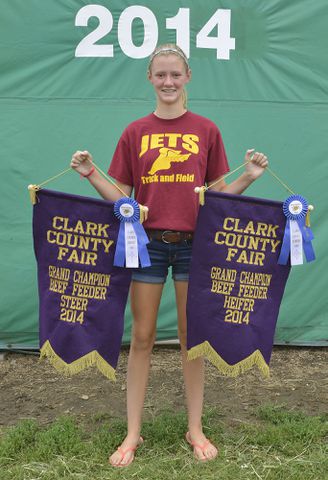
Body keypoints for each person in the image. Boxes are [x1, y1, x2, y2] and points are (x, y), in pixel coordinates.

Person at [71, 43, 268, 466]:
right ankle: (133, 433)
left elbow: (216, 196)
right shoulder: (134, 132)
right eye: (160, 75)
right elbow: (121, 197)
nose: (168, 82)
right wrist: (91, 175)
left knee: (190, 341)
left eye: (175, 75)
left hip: (195, 248)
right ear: (149, 78)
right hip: (147, 247)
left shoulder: (207, 130)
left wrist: (248, 178)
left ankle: (194, 429)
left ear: (188, 77)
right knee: (141, 339)